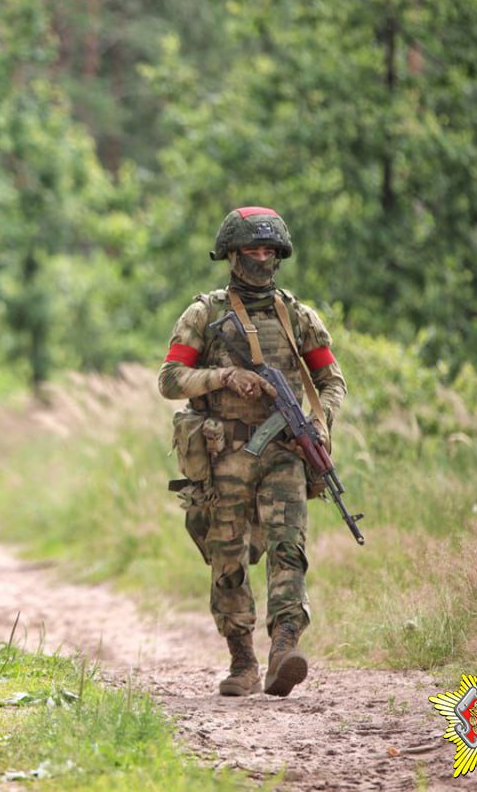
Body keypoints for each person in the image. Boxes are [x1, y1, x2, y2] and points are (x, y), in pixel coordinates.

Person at [157, 207, 346, 698]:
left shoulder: (298, 316)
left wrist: (320, 422)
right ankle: (242, 661)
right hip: (225, 455)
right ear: (232, 256)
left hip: (285, 449)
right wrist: (223, 377)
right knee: (228, 558)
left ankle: (284, 647)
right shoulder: (204, 314)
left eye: (268, 251)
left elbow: (330, 381)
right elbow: (170, 379)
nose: (261, 259)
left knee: (289, 550)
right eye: (251, 252)